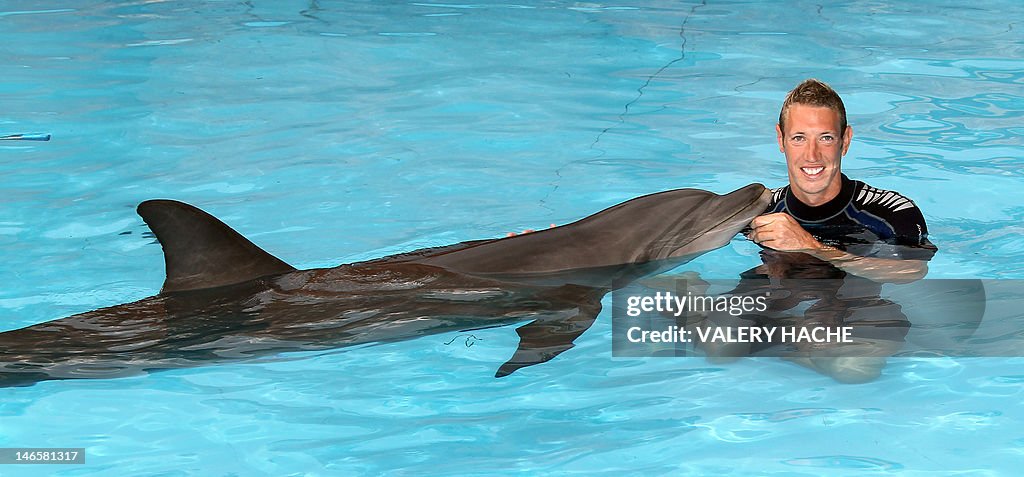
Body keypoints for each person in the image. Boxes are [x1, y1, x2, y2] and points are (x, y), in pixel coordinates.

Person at [747, 79, 937, 283]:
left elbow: (913, 270)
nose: (812, 155)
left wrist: (811, 247)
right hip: (782, 305)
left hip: (858, 310)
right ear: (780, 139)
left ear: (845, 141)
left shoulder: (889, 211)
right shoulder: (758, 210)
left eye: (826, 138)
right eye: (799, 138)